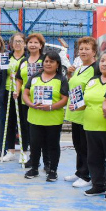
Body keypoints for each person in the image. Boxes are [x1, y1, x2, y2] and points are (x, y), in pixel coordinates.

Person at [21, 51, 69, 182]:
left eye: (52, 61)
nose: (48, 63)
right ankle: (35, 168)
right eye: (46, 61)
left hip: (53, 119)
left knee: (53, 145)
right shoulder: (35, 77)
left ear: (57, 64)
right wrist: (31, 104)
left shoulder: (61, 80)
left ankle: (53, 170)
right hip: (35, 118)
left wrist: (51, 107)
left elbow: (65, 98)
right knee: (35, 144)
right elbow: (25, 93)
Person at [81, 51, 106, 200]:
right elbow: (86, 100)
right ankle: (97, 185)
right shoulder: (93, 80)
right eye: (102, 61)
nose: (104, 63)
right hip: (90, 125)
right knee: (94, 158)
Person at [63, 36, 97, 188]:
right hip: (75, 113)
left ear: (94, 52)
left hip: (86, 114)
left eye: (87, 49)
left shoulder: (95, 69)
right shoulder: (78, 68)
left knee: (86, 146)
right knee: (78, 145)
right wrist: (70, 75)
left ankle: (87, 175)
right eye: (81, 49)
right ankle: (79, 171)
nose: (83, 52)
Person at [16, 34, 46, 168]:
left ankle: (47, 161)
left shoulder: (45, 59)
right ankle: (33, 159)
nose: (33, 45)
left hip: (42, 101)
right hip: (26, 101)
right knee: (27, 131)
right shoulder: (23, 61)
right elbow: (19, 79)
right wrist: (17, 91)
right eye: (30, 42)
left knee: (43, 132)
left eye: (36, 42)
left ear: (41, 45)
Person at [1, 33, 27, 162]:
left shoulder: (28, 58)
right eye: (15, 41)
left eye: (20, 41)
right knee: (9, 121)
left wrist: (18, 76)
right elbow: (1, 72)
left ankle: (24, 151)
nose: (18, 43)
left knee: (23, 122)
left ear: (24, 43)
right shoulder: (6, 57)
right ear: (11, 44)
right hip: (8, 91)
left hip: (23, 93)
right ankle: (10, 150)